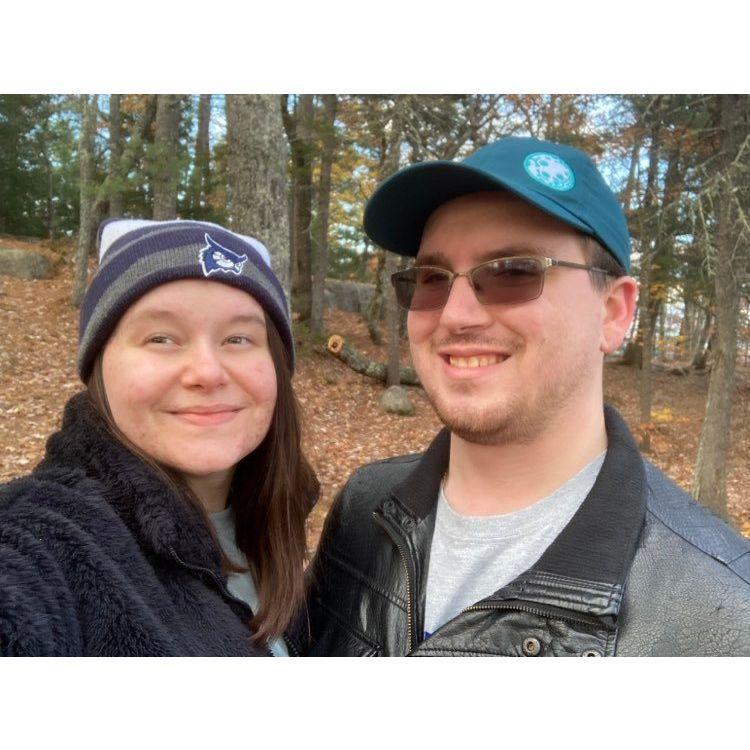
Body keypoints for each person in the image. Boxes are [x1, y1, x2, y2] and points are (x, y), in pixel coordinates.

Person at [305, 137, 750, 656]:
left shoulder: (720, 614)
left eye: (512, 271)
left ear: (613, 313)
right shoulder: (363, 511)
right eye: (431, 279)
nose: (455, 315)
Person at [0, 219, 318, 656]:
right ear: (99, 367)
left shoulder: (274, 526)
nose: (207, 372)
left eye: (238, 338)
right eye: (161, 338)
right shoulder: (44, 540)